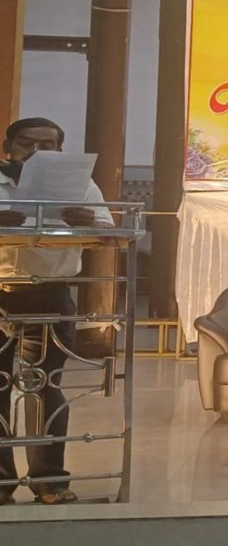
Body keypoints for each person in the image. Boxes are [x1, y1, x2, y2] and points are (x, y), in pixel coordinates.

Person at [0, 117, 113, 506]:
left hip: (49, 294)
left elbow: (108, 232)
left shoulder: (79, 185)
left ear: (60, 150)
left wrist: (88, 221)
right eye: (26, 143)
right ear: (8, 148)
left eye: (47, 145)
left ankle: (49, 482)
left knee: (44, 385)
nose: (35, 151)